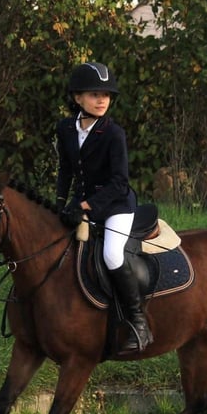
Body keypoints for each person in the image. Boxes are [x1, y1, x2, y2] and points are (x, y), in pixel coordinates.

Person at [55, 62, 153, 354]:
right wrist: (60, 204)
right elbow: (65, 170)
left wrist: (84, 205)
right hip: (82, 204)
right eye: (95, 94)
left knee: (111, 254)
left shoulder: (113, 133)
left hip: (116, 205)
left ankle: (139, 322)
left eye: (106, 96)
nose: (102, 101)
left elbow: (119, 183)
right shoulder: (66, 129)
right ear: (77, 98)